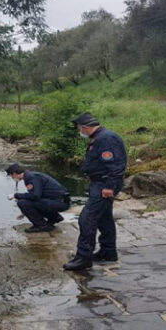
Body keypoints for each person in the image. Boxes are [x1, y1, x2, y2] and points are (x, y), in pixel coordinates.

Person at [63, 112, 127, 271]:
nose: (79, 131)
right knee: (104, 218)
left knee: (87, 218)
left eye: (79, 128)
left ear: (84, 127)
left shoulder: (106, 138)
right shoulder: (100, 137)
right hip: (100, 182)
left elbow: (116, 165)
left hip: (104, 183)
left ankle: (84, 258)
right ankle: (108, 252)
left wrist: (109, 186)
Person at [6, 163, 71, 233]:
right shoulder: (31, 175)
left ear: (14, 173)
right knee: (27, 202)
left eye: (11, 175)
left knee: (22, 203)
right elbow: (37, 196)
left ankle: (42, 225)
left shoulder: (31, 177)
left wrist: (15, 195)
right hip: (61, 201)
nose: (12, 177)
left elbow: (35, 196)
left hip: (60, 203)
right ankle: (54, 217)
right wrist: (24, 212)